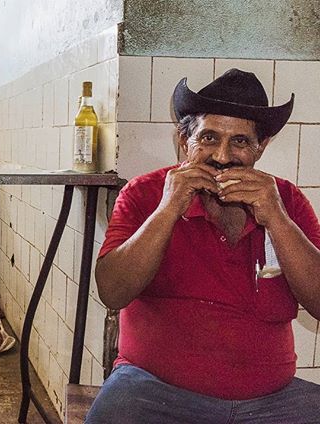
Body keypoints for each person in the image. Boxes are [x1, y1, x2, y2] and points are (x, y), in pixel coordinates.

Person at [86, 68, 320, 423]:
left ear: (261, 146)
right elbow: (112, 291)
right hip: (151, 391)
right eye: (208, 138)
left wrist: (276, 218)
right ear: (184, 141)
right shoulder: (145, 193)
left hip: (273, 401)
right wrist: (168, 209)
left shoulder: (286, 200)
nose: (223, 156)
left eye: (240, 141)